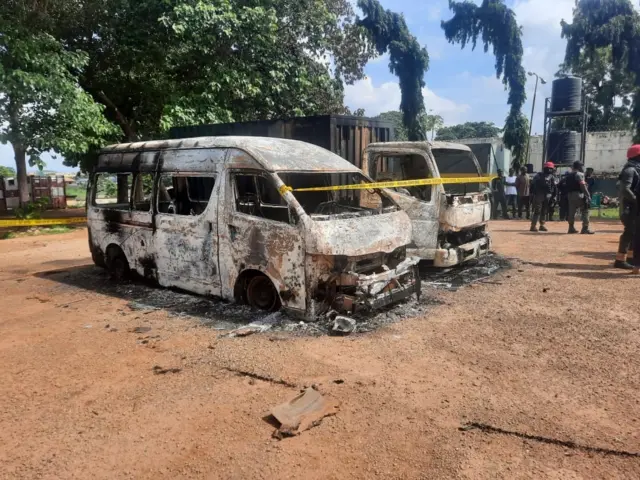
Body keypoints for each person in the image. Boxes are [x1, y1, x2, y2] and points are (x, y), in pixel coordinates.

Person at [615, 145, 640, 269]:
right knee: (630, 232)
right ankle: (620, 260)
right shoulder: (630, 170)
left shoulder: (635, 169)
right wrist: (636, 200)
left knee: (634, 233)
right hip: (629, 208)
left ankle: (629, 258)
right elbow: (625, 189)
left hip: (633, 207)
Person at [566, 161, 594, 234]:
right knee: (585, 210)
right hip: (578, 195)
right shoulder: (580, 174)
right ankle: (585, 228)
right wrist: (588, 195)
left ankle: (571, 228)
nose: (583, 168)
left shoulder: (568, 175)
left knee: (571, 212)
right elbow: (582, 185)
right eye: (582, 166)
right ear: (579, 166)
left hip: (570, 195)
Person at [530, 162, 557, 232]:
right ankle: (533, 226)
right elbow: (532, 185)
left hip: (546, 195)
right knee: (538, 210)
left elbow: (555, 187)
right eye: (549, 168)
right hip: (540, 195)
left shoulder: (550, 176)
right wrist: (532, 194)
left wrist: (554, 196)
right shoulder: (539, 175)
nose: (550, 170)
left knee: (543, 211)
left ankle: (541, 225)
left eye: (551, 169)